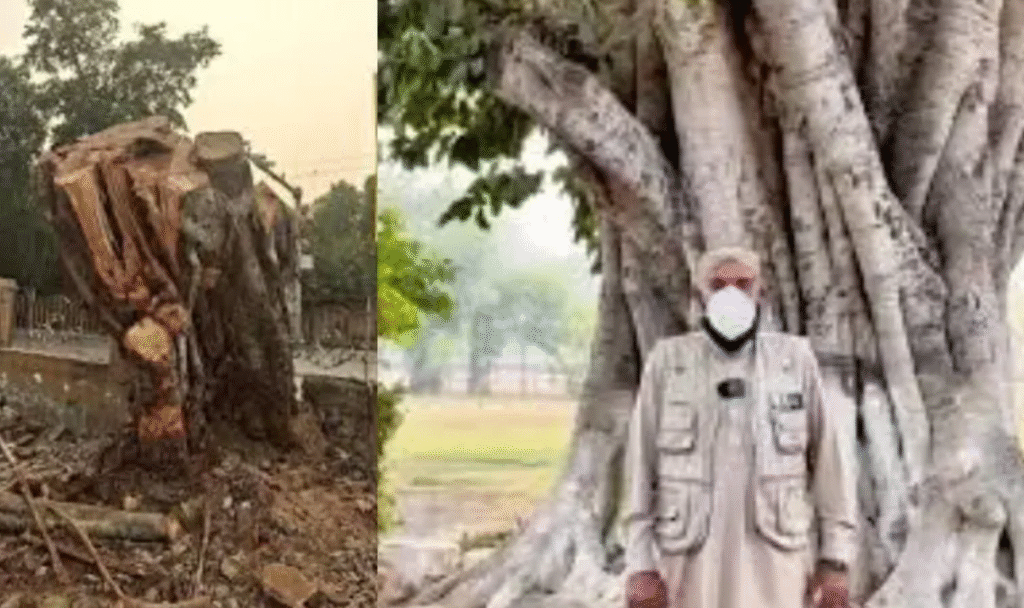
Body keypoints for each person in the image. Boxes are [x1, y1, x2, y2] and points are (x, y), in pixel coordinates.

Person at [623, 246, 857, 608]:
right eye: (718, 285)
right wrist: (640, 566)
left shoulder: (794, 360)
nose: (731, 294)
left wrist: (835, 559)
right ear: (701, 295)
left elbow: (828, 463)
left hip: (777, 556)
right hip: (688, 555)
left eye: (743, 284)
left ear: (760, 292)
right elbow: (640, 465)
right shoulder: (668, 361)